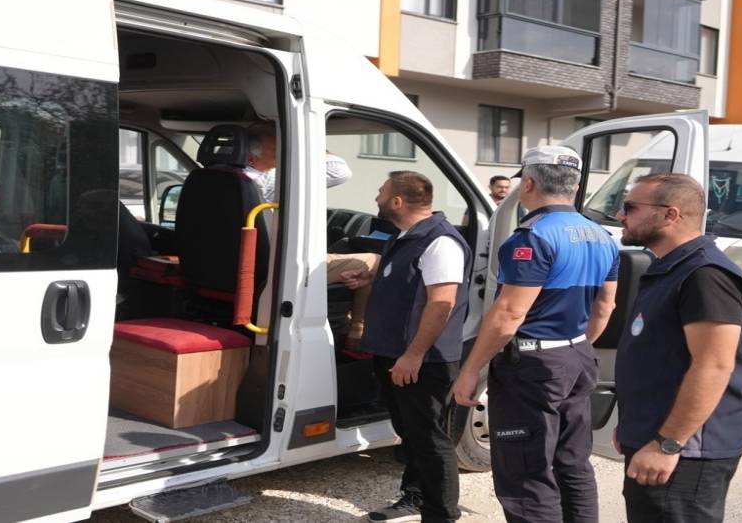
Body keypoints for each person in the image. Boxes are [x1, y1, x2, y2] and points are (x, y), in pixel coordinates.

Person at [452, 145, 619, 523]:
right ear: (575, 187)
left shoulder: (532, 237)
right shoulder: (601, 236)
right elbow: (604, 307)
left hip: (533, 364)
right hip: (577, 355)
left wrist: (471, 369)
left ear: (528, 183)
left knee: (526, 472)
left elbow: (509, 313)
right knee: (573, 463)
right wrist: (574, 348)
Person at [612, 173, 742, 523]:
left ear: (670, 215)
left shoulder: (705, 274)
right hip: (657, 438)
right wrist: (635, 426)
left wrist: (668, 443)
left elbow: (714, 365)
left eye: (630, 207)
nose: (620, 216)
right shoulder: (672, 267)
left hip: (685, 452)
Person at [341, 171, 470, 523]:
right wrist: (371, 277)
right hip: (394, 355)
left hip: (422, 362)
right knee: (411, 434)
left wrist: (413, 355)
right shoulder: (405, 236)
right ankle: (415, 496)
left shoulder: (440, 241)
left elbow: (441, 303)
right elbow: (411, 278)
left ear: (397, 201)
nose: (376, 198)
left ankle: (441, 514)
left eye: (381, 193)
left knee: (430, 439)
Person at [243, 120, 374, 347]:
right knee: (373, 261)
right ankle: (356, 332)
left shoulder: (222, 178)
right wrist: (302, 140)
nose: (282, 159)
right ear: (251, 159)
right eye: (277, 153)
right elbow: (340, 170)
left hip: (245, 263)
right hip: (279, 267)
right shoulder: (267, 181)